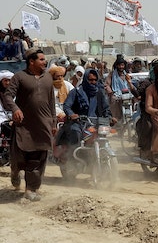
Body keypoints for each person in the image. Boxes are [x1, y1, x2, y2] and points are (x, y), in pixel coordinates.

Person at [3, 48, 56, 201]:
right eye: (41, 59)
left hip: (43, 125)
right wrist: (15, 109)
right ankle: (15, 173)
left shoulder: (47, 78)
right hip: (24, 126)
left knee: (39, 157)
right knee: (19, 157)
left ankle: (31, 189)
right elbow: (8, 96)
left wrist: (53, 121)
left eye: (44, 59)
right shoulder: (19, 77)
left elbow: (52, 101)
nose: (44, 62)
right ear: (31, 62)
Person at [63, 69, 114, 146]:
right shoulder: (76, 91)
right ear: (85, 79)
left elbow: (105, 108)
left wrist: (110, 118)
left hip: (96, 122)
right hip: (79, 122)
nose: (93, 82)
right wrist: (71, 114)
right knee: (75, 133)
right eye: (90, 80)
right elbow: (67, 106)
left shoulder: (100, 92)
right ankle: (72, 155)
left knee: (104, 134)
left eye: (95, 80)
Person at [104, 57, 138, 121]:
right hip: (116, 94)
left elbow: (131, 85)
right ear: (116, 65)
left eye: (122, 65)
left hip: (126, 94)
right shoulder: (112, 74)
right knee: (114, 100)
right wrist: (111, 92)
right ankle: (116, 119)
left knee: (135, 99)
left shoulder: (126, 75)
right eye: (119, 65)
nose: (121, 67)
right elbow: (106, 85)